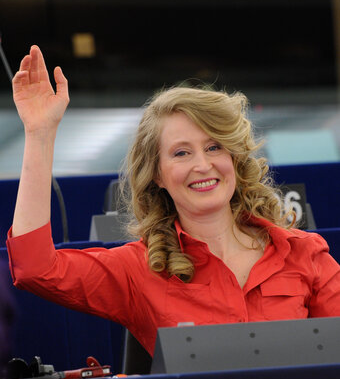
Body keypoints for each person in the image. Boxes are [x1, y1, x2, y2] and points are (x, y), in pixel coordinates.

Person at [6, 45, 340, 356]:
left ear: (235, 158)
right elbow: (35, 269)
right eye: (181, 153)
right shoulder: (138, 269)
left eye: (214, 147)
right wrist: (40, 133)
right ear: (157, 175)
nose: (202, 165)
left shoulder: (304, 254)